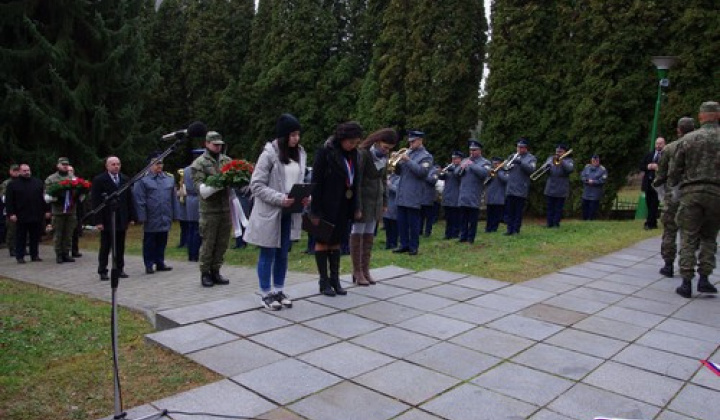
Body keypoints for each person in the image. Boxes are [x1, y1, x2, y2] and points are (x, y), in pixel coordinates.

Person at [244, 113, 307, 309]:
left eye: (298, 134)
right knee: (268, 252)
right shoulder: (268, 155)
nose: (296, 138)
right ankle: (265, 292)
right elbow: (256, 185)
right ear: (283, 136)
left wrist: (305, 195)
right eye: (293, 134)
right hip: (271, 212)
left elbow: (299, 180)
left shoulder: (300, 153)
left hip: (291, 210)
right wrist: (280, 198)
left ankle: (279, 289)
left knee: (283, 253)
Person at [667, 101, 720, 299]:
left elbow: (674, 171)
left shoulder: (689, 139)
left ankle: (686, 281)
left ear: (700, 117)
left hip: (692, 193)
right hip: (716, 194)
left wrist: (675, 188)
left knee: (688, 235)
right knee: (709, 236)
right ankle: (705, 278)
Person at [310, 121, 362, 296]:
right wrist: (315, 210)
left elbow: (356, 182)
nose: (353, 145)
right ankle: (323, 281)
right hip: (325, 205)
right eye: (351, 142)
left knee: (337, 241)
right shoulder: (326, 152)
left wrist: (356, 206)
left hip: (344, 205)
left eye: (356, 143)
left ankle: (335, 279)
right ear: (342, 138)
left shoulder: (354, 154)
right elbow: (315, 182)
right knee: (323, 242)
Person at [351, 128, 397, 286]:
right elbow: (356, 181)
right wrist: (356, 206)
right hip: (363, 200)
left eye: (389, 148)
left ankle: (365, 269)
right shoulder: (363, 154)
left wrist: (384, 202)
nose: (386, 150)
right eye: (385, 147)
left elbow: (384, 180)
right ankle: (357, 271)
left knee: (369, 235)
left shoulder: (384, 157)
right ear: (377, 142)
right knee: (358, 234)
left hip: (375, 200)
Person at [652, 117, 695, 278]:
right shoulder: (699, 146)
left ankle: (668, 264)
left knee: (670, 230)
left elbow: (660, 176)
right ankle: (689, 269)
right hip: (693, 195)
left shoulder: (670, 148)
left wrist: (662, 194)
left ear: (679, 130)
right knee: (689, 234)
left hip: (673, 195)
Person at [191, 131, 233, 287]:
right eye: (215, 145)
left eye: (220, 145)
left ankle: (216, 270)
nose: (218, 147)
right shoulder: (199, 163)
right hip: (209, 210)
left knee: (222, 242)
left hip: (225, 208)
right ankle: (205, 272)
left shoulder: (226, 160)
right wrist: (219, 183)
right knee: (208, 243)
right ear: (207, 144)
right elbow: (200, 188)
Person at [91, 156, 136, 281]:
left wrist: (131, 216)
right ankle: (102, 270)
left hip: (121, 218)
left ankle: (119, 268)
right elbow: (95, 201)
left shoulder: (125, 179)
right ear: (107, 166)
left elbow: (129, 199)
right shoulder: (99, 180)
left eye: (118, 164)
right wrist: (98, 221)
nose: (116, 166)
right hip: (107, 218)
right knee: (106, 246)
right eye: (113, 164)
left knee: (120, 246)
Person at [133, 155, 178, 274]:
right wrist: (142, 216)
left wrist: (175, 214)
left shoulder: (169, 179)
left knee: (162, 240)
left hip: (165, 215)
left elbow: (173, 198)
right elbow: (139, 200)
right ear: (149, 165)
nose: (159, 166)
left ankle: (160, 262)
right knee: (150, 241)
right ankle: (149, 264)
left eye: (161, 163)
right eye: (156, 163)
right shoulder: (143, 180)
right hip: (151, 216)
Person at [393, 130, 433, 255]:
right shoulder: (408, 153)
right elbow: (399, 172)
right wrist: (396, 163)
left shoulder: (426, 156)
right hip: (402, 192)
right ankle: (403, 244)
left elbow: (422, 172)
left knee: (413, 222)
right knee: (402, 221)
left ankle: (413, 246)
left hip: (414, 193)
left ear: (420, 141)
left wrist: (407, 160)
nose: (410, 144)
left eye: (413, 141)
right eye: (409, 141)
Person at [5, 164, 47, 263]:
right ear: (19, 171)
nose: (27, 172)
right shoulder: (13, 184)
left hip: (35, 214)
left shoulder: (38, 182)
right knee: (20, 237)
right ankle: (20, 256)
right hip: (20, 215)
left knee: (35, 237)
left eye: (28, 170)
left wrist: (46, 210)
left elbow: (43, 198)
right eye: (24, 171)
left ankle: (34, 255)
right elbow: (9, 201)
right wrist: (11, 214)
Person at [44, 157, 78, 264]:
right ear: (58, 165)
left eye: (66, 164)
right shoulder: (51, 179)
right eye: (63, 164)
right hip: (58, 211)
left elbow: (78, 190)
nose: (65, 166)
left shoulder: (72, 178)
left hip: (71, 210)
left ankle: (66, 253)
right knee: (58, 234)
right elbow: (47, 195)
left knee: (68, 233)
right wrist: (58, 196)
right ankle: (58, 254)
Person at [457, 139, 490, 243]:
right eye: (470, 150)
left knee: (472, 219)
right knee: (463, 218)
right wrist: (461, 167)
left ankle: (471, 238)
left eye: (474, 150)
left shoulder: (485, 162)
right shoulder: (465, 160)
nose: (472, 152)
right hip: (463, 193)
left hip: (474, 194)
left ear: (479, 150)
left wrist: (472, 165)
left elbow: (484, 173)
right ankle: (463, 236)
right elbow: (457, 173)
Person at [503, 138, 536, 235]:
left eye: (521, 147)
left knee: (518, 211)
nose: (519, 149)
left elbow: (531, 169)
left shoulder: (531, 158)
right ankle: (509, 229)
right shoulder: (512, 156)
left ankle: (516, 230)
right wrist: (507, 165)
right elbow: (505, 168)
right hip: (510, 187)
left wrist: (521, 162)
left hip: (521, 188)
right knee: (509, 210)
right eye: (518, 147)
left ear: (526, 148)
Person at [543, 143, 575, 228]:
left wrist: (562, 160)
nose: (558, 153)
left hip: (561, 187)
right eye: (557, 151)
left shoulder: (569, 160)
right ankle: (549, 224)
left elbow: (570, 169)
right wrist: (547, 166)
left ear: (565, 152)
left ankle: (556, 224)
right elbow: (543, 168)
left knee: (558, 208)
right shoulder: (550, 158)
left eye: (560, 152)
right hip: (550, 186)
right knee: (550, 207)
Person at [640, 137, 666, 230]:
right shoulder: (650, 154)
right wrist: (648, 166)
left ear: (664, 144)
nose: (658, 145)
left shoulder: (665, 155)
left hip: (658, 184)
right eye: (657, 144)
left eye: (660, 144)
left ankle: (649, 223)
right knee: (649, 202)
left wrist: (658, 167)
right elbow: (641, 165)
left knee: (654, 203)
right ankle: (653, 222)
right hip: (648, 182)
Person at [184, 149, 205, 262]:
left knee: (191, 228)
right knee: (197, 229)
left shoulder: (186, 170)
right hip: (198, 198)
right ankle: (195, 253)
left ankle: (191, 253)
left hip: (189, 200)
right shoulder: (198, 169)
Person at [439, 151, 463, 240]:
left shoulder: (461, 168)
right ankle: (448, 233)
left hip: (456, 195)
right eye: (453, 159)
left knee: (456, 216)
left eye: (456, 159)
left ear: (460, 159)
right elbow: (441, 177)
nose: (454, 160)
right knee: (448, 216)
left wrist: (453, 170)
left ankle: (456, 233)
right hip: (448, 195)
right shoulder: (450, 168)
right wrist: (441, 172)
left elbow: (460, 178)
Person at [485, 157, 508, 233]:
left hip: (499, 196)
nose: (495, 165)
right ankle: (488, 228)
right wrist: (490, 174)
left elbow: (506, 180)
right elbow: (485, 182)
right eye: (494, 163)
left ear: (501, 164)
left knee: (497, 214)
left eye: (497, 164)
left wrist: (499, 172)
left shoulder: (504, 171)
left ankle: (494, 228)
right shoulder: (490, 172)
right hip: (490, 196)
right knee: (489, 214)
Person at [580, 154, 607, 220]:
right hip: (586, 192)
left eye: (596, 161)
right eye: (593, 161)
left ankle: (590, 221)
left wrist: (594, 182)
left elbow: (603, 180)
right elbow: (582, 176)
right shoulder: (587, 167)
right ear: (591, 161)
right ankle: (584, 220)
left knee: (592, 209)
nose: (595, 162)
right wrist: (586, 180)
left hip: (595, 193)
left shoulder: (602, 169)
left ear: (598, 161)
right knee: (584, 207)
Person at [1, 164, 20, 256]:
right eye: (14, 170)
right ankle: (12, 248)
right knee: (12, 230)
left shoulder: (23, 182)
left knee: (22, 230)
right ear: (10, 171)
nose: (16, 172)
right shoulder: (6, 183)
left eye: (17, 170)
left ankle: (21, 247)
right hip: (10, 209)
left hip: (22, 209)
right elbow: (4, 197)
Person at [67, 165, 84, 258]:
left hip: (77, 208)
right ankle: (64, 251)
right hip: (66, 209)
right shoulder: (62, 182)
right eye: (68, 170)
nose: (70, 172)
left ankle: (75, 250)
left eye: (71, 170)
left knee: (75, 231)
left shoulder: (78, 182)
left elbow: (82, 196)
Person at [383, 172, 400, 249]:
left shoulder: (400, 178)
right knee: (387, 226)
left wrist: (389, 185)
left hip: (394, 206)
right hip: (387, 206)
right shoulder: (390, 177)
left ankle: (393, 243)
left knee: (394, 227)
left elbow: (398, 190)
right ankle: (388, 243)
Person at [175, 168, 188, 248]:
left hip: (187, 210)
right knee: (183, 227)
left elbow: (185, 193)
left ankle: (187, 242)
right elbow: (177, 194)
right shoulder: (179, 186)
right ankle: (182, 242)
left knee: (188, 227)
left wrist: (182, 187)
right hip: (182, 210)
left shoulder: (187, 186)